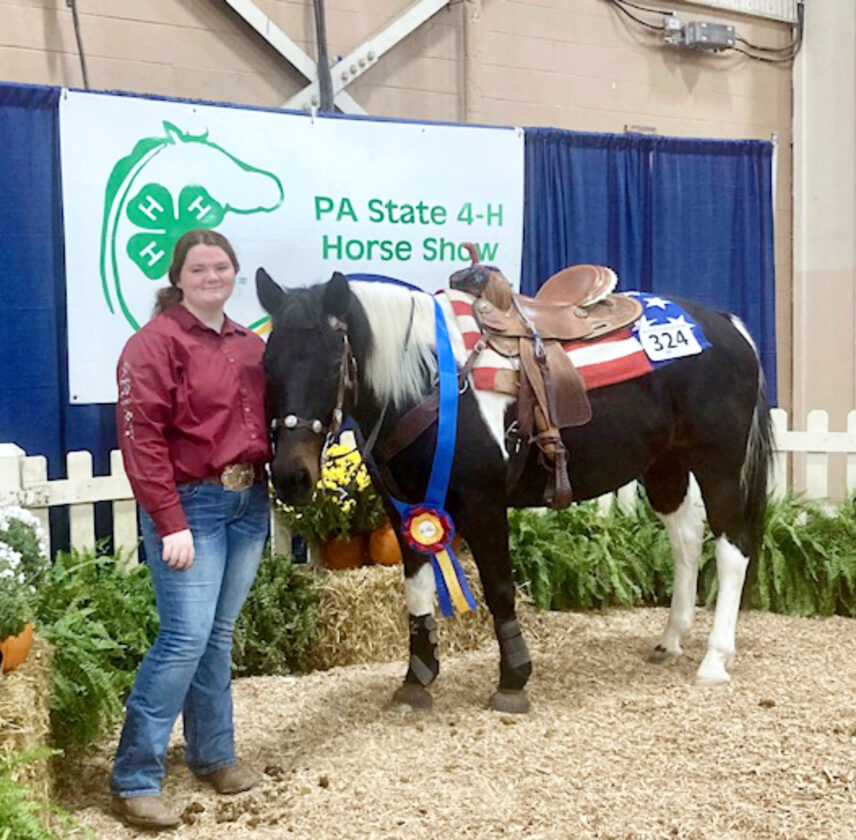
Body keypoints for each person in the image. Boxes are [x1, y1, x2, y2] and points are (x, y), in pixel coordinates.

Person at [110, 229, 271, 830]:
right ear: (177, 277)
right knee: (183, 639)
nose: (212, 277)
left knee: (217, 636)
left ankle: (214, 755)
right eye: (199, 268)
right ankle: (134, 778)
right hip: (191, 506)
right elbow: (142, 440)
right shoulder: (153, 345)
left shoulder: (250, 345)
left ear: (234, 273)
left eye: (221, 266)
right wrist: (168, 520)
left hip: (247, 503)